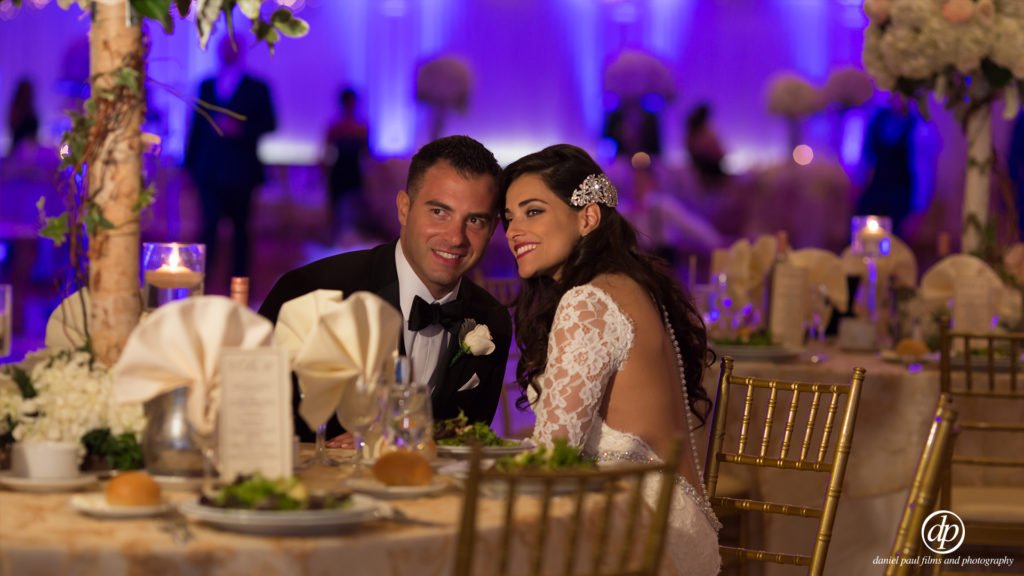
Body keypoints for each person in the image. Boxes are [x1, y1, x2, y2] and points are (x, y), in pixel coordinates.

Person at [501, 144, 720, 575]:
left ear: (588, 217)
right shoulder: (630, 283)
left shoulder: (587, 301)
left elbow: (552, 455)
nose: (513, 231)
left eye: (533, 212)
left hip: (637, 536)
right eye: (508, 218)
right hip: (675, 520)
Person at [259, 135, 512, 443]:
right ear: (404, 209)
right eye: (439, 212)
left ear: (493, 228)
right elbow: (253, 423)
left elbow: (470, 443)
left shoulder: (492, 320)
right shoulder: (313, 292)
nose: (456, 237)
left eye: (474, 220)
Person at [184, 34, 276, 282]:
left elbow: (270, 123)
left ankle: (239, 286)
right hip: (209, 172)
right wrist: (188, 168)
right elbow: (195, 130)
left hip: (242, 173)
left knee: (241, 233)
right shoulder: (205, 85)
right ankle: (200, 283)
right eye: (224, 48)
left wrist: (242, 129)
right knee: (207, 230)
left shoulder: (258, 87)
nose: (228, 52)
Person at [323, 87, 370, 244]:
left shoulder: (361, 127)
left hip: (354, 171)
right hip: (340, 171)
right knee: (336, 211)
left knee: (356, 210)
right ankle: (336, 242)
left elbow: (367, 153)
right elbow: (326, 152)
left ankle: (352, 243)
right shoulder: (336, 127)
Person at [7, 78, 39, 155]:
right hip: (17, 151)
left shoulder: (31, 109)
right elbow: (12, 126)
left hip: (31, 151)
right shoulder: (16, 109)